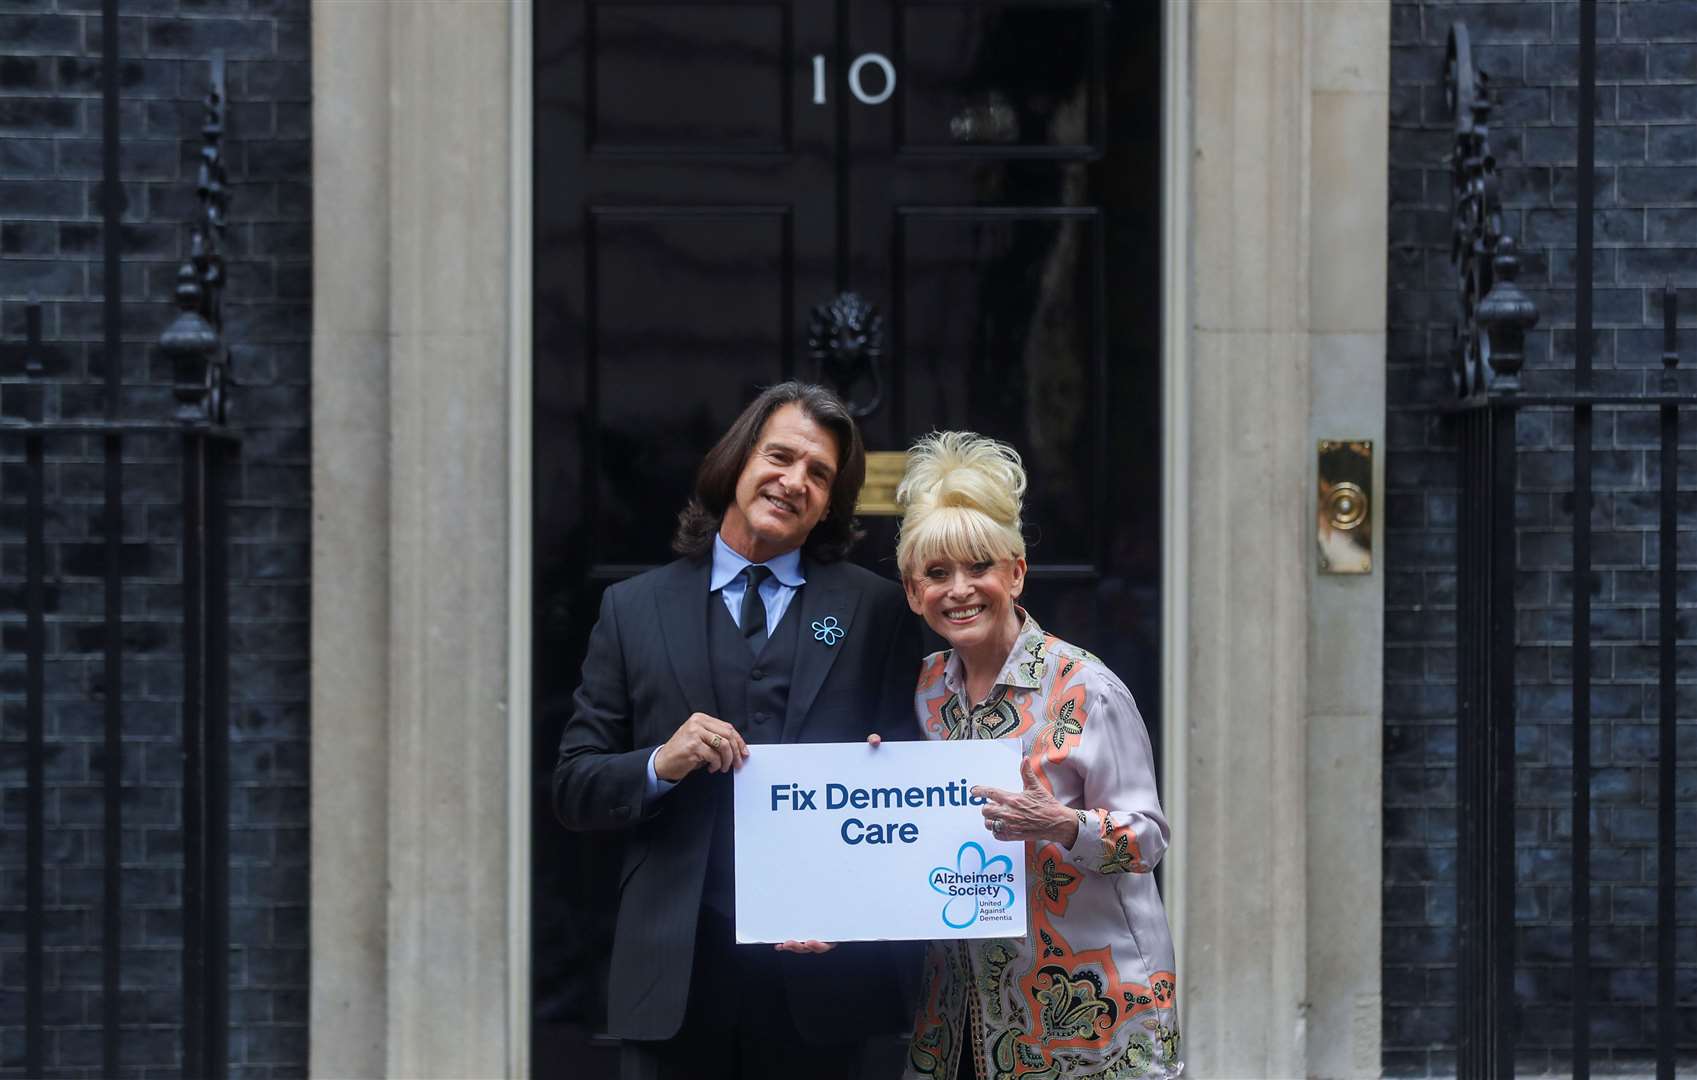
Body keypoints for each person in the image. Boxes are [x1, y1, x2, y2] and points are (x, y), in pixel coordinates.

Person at [552, 382, 921, 1080]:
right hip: (675, 977)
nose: (794, 482)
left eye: (818, 474)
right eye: (779, 457)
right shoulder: (632, 610)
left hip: (826, 982)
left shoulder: (875, 610)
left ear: (830, 503)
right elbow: (575, 786)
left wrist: (884, 780)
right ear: (736, 462)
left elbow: (907, 793)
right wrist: (662, 761)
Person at [892, 432, 1182, 1080]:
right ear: (913, 592)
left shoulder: (1085, 687)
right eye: (937, 574)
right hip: (958, 1012)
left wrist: (1060, 824)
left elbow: (1147, 839)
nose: (959, 589)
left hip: (1085, 1005)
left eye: (978, 567)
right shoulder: (915, 692)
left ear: (1015, 572)